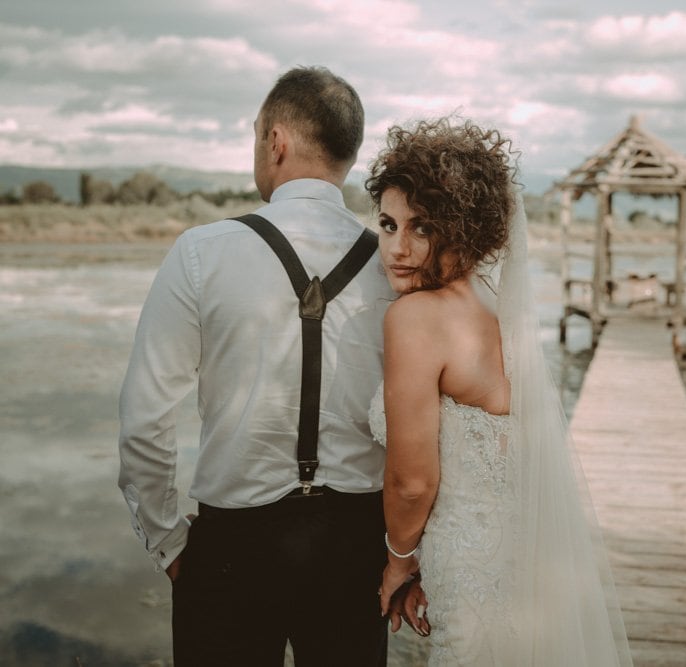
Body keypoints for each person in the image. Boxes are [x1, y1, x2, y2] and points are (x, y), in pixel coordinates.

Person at [117, 66, 395, 666]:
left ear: (276, 141)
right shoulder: (394, 266)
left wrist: (169, 543)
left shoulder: (200, 253)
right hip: (357, 546)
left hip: (230, 548)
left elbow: (145, 419)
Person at [366, 118, 633, 665]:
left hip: (470, 571)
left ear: (465, 229)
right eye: (389, 225)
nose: (397, 246)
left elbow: (413, 480)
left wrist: (400, 561)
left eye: (421, 228)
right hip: (521, 559)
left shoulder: (416, 317)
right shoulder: (495, 310)